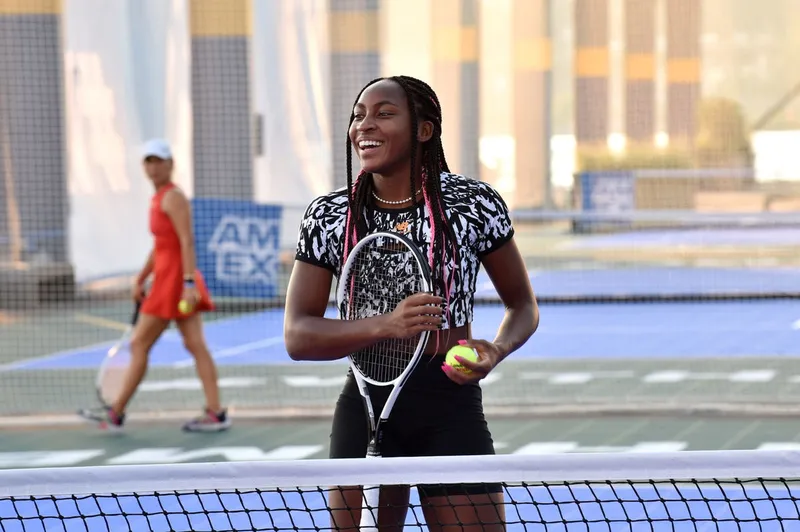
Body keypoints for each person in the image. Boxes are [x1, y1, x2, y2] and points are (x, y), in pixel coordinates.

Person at [284, 76, 539, 531]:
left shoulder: (472, 204)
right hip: (364, 405)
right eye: (359, 114)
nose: (365, 125)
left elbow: (523, 306)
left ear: (424, 129)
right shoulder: (328, 215)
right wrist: (387, 325)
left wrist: (496, 351)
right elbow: (298, 336)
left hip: (449, 403)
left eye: (384, 113)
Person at [79, 138, 231, 433]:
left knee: (140, 344)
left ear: (171, 164)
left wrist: (188, 283)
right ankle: (216, 412)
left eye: (158, 160)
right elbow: (161, 245)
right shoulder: (157, 197)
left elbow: (186, 241)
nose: (153, 166)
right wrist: (140, 277)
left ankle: (116, 413)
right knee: (194, 345)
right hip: (166, 280)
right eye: (148, 161)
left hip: (174, 283)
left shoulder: (173, 197)